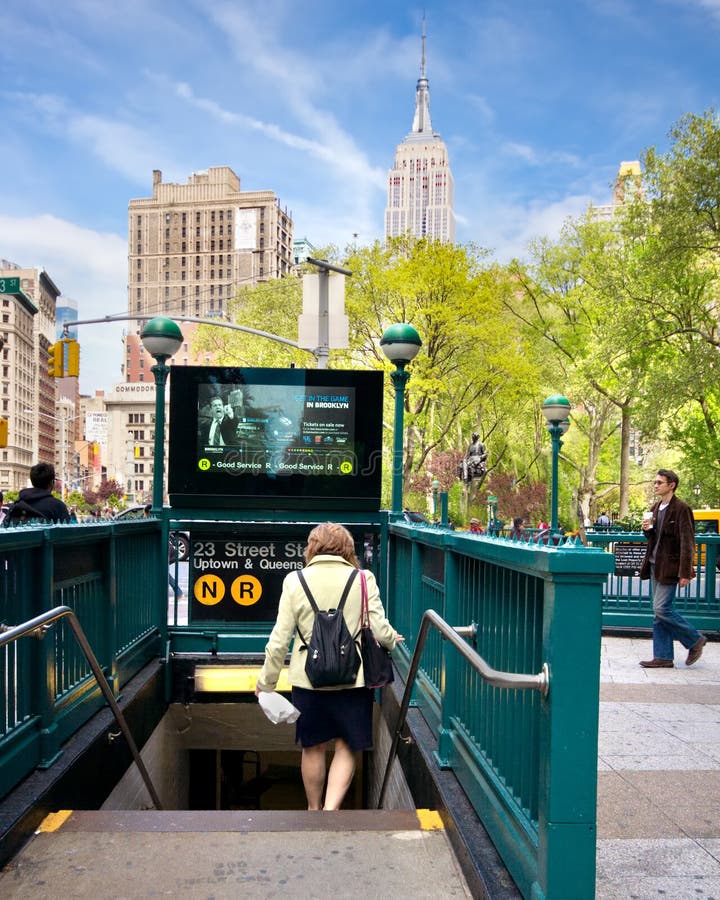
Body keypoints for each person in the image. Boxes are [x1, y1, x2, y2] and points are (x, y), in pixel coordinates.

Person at [255, 522, 403, 811]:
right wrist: (392, 641)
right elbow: (378, 627)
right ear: (347, 548)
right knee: (348, 744)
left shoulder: (294, 580)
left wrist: (266, 683)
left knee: (313, 746)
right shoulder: (363, 578)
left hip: (308, 680)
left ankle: (313, 809)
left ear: (312, 548)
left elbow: (279, 639)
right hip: (354, 678)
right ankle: (330, 810)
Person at [639, 469, 707, 668]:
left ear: (672, 485)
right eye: (655, 482)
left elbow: (688, 542)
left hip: (670, 567)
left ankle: (695, 640)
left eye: (660, 482)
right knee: (658, 613)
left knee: (661, 608)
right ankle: (663, 656)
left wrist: (685, 572)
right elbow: (653, 538)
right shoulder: (655, 507)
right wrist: (647, 530)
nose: (656, 485)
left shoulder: (681, 509)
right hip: (654, 565)